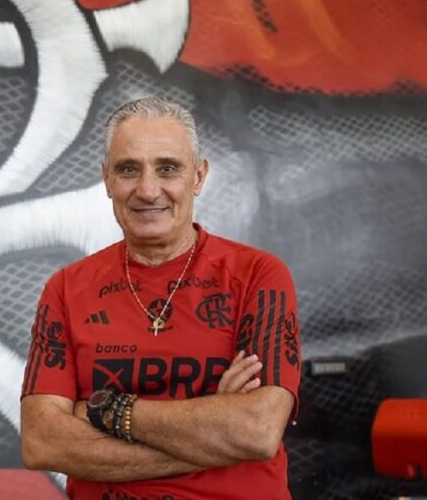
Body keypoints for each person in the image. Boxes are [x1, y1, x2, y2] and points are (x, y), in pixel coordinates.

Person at [20, 97, 301, 500]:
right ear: (107, 179)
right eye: (128, 169)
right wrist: (213, 431)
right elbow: (43, 442)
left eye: (167, 168)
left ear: (198, 177)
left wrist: (106, 410)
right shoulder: (66, 289)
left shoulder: (258, 276)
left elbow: (256, 431)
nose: (148, 190)